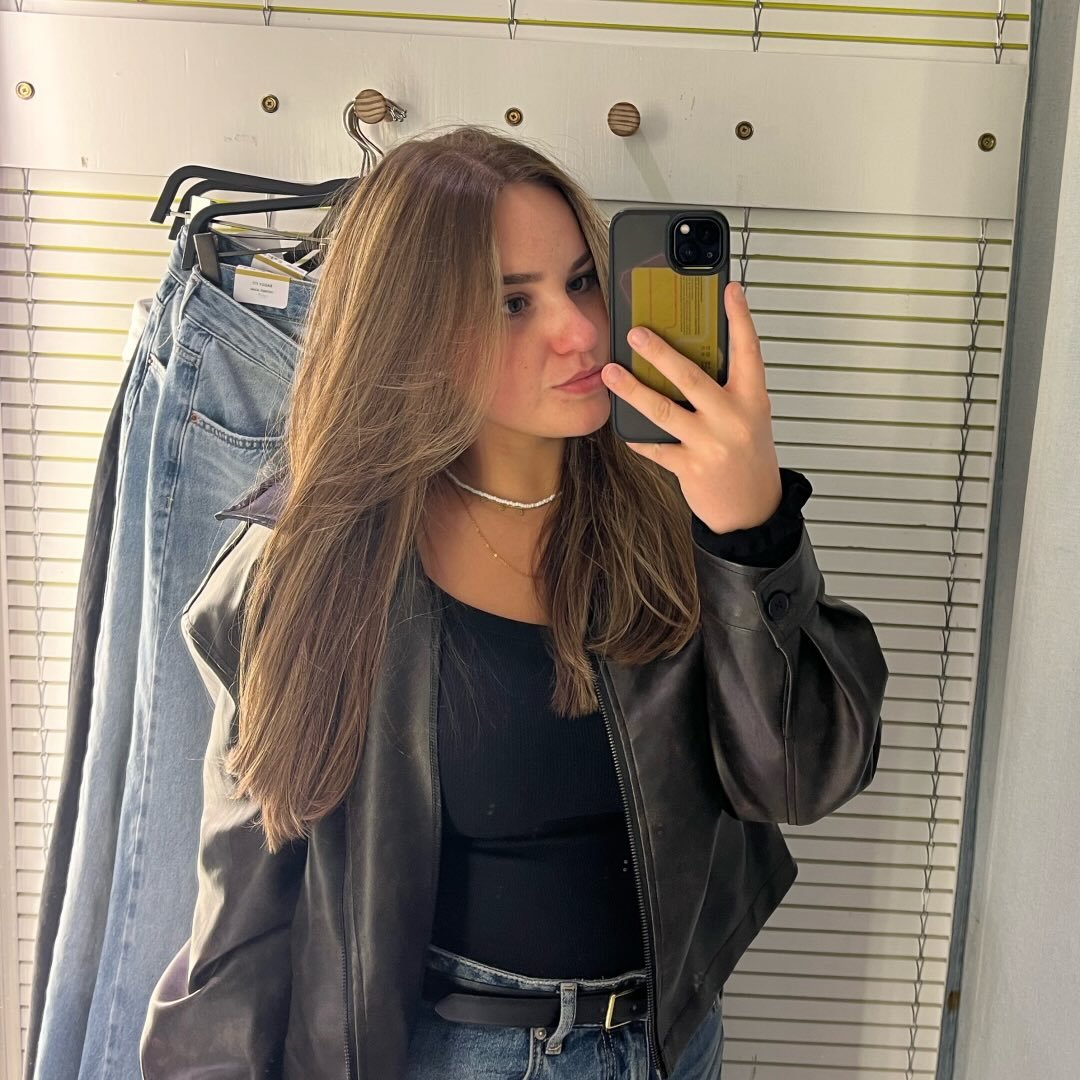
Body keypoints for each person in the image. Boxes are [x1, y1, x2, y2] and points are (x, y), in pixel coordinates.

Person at [139, 125, 888, 1080]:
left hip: (673, 1045)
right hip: (462, 1054)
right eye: (511, 302)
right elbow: (244, 905)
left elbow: (802, 778)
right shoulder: (319, 565)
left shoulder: (679, 507)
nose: (578, 332)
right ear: (411, 328)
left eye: (581, 282)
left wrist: (753, 531)